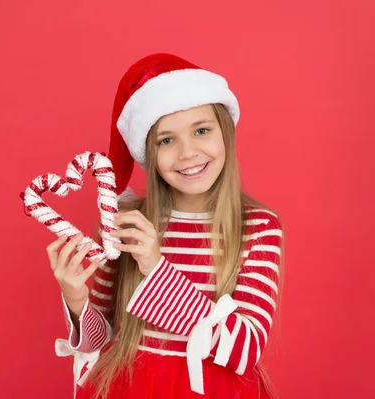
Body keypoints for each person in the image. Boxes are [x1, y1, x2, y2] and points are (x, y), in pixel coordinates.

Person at [46, 53, 285, 398]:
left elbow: (244, 350)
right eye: (167, 140)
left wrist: (155, 268)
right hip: (129, 387)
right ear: (149, 153)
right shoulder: (128, 224)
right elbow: (103, 339)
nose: (187, 152)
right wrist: (77, 300)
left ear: (226, 134)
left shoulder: (259, 228)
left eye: (201, 130)